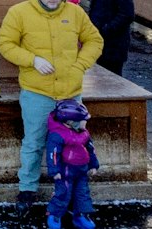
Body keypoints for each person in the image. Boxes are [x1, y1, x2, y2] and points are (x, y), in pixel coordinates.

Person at [0, 0, 104, 210]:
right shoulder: (19, 12)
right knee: (33, 142)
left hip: (70, 92)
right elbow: (5, 43)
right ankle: (27, 189)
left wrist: (79, 66)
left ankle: (73, 190)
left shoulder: (75, 12)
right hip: (37, 91)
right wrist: (32, 60)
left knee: (75, 142)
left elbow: (95, 41)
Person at [43, 98, 98, 229]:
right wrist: (54, 171)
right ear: (70, 122)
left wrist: (94, 164)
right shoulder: (58, 134)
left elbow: (90, 148)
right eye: (83, 121)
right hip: (65, 172)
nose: (85, 124)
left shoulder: (83, 133)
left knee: (83, 193)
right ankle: (54, 215)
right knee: (63, 193)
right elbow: (53, 154)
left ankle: (80, 215)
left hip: (82, 170)